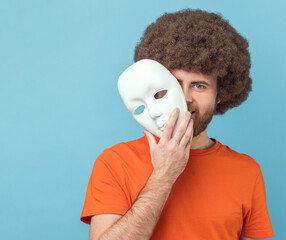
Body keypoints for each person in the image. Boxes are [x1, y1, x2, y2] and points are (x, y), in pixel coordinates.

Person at [80, 9, 275, 240]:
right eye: (174, 83)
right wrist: (164, 175)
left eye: (199, 86)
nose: (185, 98)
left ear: (220, 94)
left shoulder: (247, 171)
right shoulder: (115, 163)